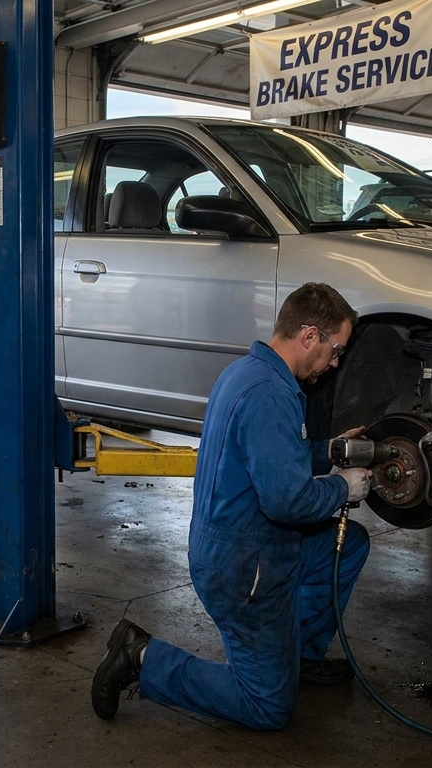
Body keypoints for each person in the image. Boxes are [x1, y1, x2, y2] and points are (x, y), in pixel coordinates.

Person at [91, 282, 372, 730]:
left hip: (249, 546)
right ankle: (142, 655)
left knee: (348, 544)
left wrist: (328, 452)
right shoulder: (269, 395)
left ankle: (297, 656)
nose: (336, 362)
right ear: (309, 337)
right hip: (245, 569)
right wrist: (343, 487)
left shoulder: (249, 373)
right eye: (336, 350)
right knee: (268, 708)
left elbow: (266, 455)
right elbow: (287, 501)